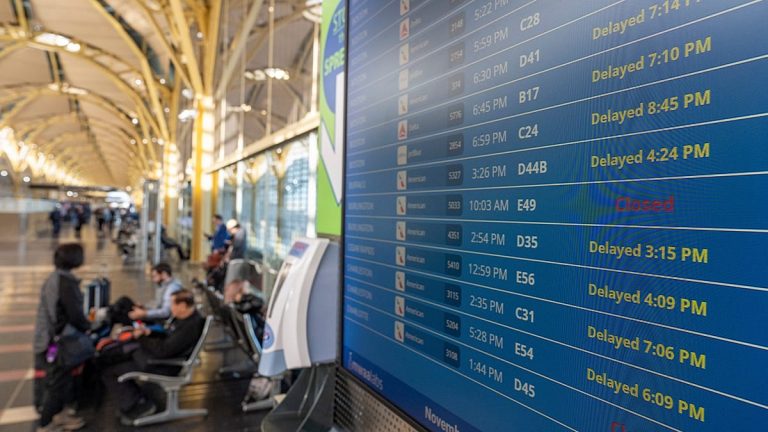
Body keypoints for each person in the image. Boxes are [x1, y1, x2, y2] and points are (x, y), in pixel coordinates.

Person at [101, 289, 205, 424]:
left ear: (183, 305)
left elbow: (163, 350)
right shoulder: (185, 319)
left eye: (173, 304)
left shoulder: (189, 327)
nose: (170, 308)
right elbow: (169, 338)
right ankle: (135, 400)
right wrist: (149, 333)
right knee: (115, 364)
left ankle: (138, 406)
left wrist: (141, 337)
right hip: (158, 360)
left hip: (164, 365)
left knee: (111, 372)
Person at [34, 244, 90, 432]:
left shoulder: (57, 278)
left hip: (50, 337)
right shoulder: (65, 283)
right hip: (57, 340)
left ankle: (60, 415)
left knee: (62, 379)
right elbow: (73, 314)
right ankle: (46, 423)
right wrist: (87, 327)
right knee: (58, 382)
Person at [222, 220, 260, 303]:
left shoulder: (240, 234)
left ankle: (229, 302)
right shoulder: (240, 234)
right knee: (241, 286)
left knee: (232, 286)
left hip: (237, 263)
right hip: (239, 262)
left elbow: (236, 246)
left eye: (230, 231)